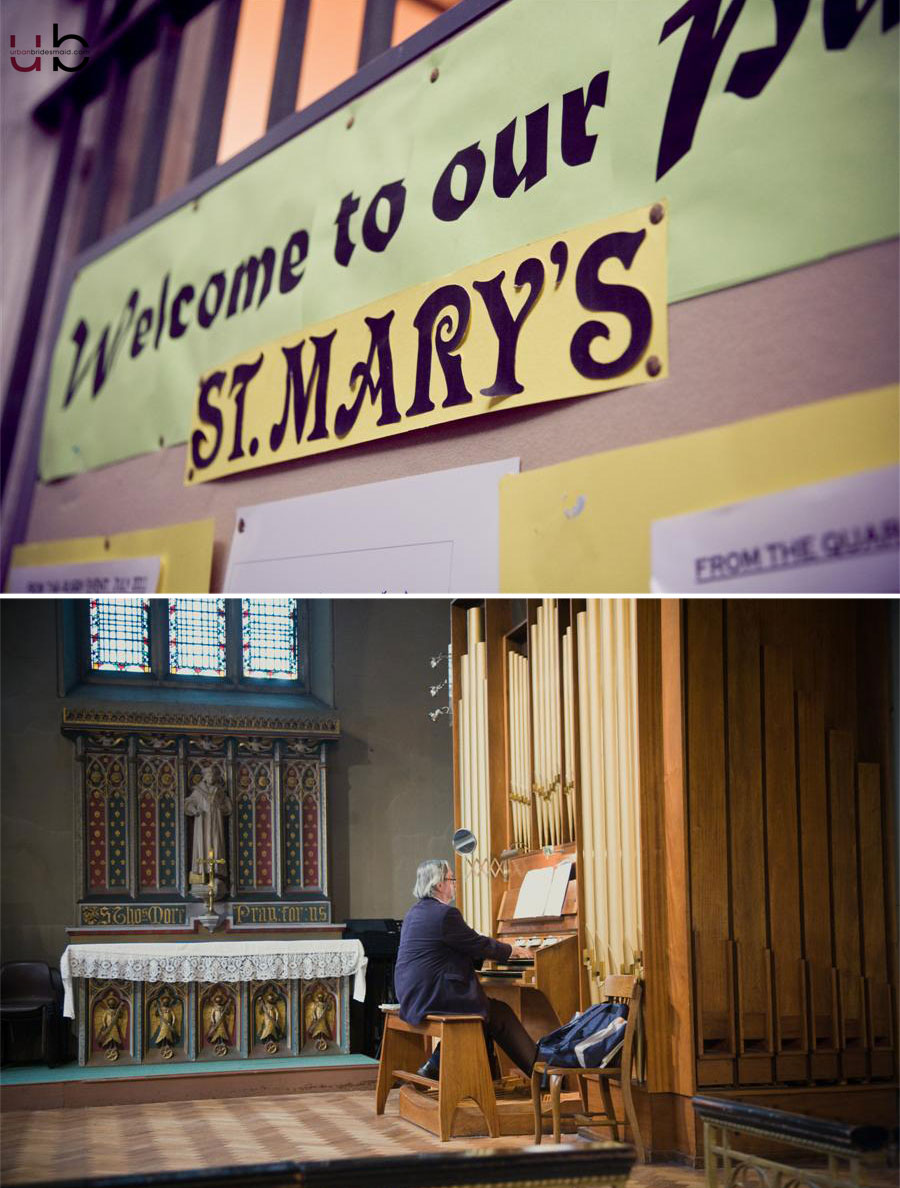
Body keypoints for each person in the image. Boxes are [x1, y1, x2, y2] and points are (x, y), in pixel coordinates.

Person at [393, 857, 537, 1080]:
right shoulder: (445, 914)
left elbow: (456, 948)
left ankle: (479, 1076)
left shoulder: (415, 912)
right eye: (452, 879)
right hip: (433, 994)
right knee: (497, 1012)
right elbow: (476, 943)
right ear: (439, 884)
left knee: (486, 1011)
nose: (455, 884)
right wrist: (511, 950)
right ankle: (541, 1073)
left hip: (413, 993)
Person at [184, 768, 232, 886]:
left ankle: (216, 876)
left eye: (213, 775)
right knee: (202, 847)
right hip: (202, 823)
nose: (211, 777)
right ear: (204, 777)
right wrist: (194, 810)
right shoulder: (198, 791)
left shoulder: (219, 791)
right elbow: (188, 803)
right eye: (209, 775)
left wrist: (221, 808)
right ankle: (200, 876)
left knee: (216, 846)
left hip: (216, 823)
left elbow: (228, 807)